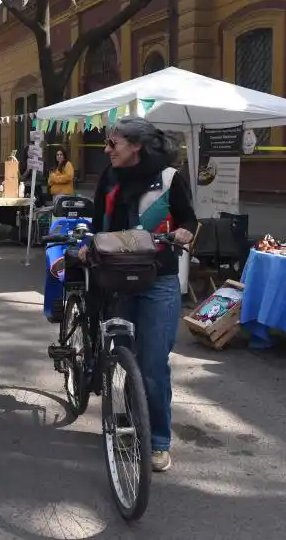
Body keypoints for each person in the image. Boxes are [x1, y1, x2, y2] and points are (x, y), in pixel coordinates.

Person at [83, 117, 196, 473]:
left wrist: (182, 234)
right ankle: (127, 423)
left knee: (152, 367)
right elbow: (98, 222)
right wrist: (89, 247)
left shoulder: (169, 178)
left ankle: (158, 440)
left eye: (112, 144)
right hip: (115, 280)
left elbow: (189, 221)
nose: (106, 150)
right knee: (119, 358)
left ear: (136, 146)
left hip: (158, 280)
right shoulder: (109, 178)